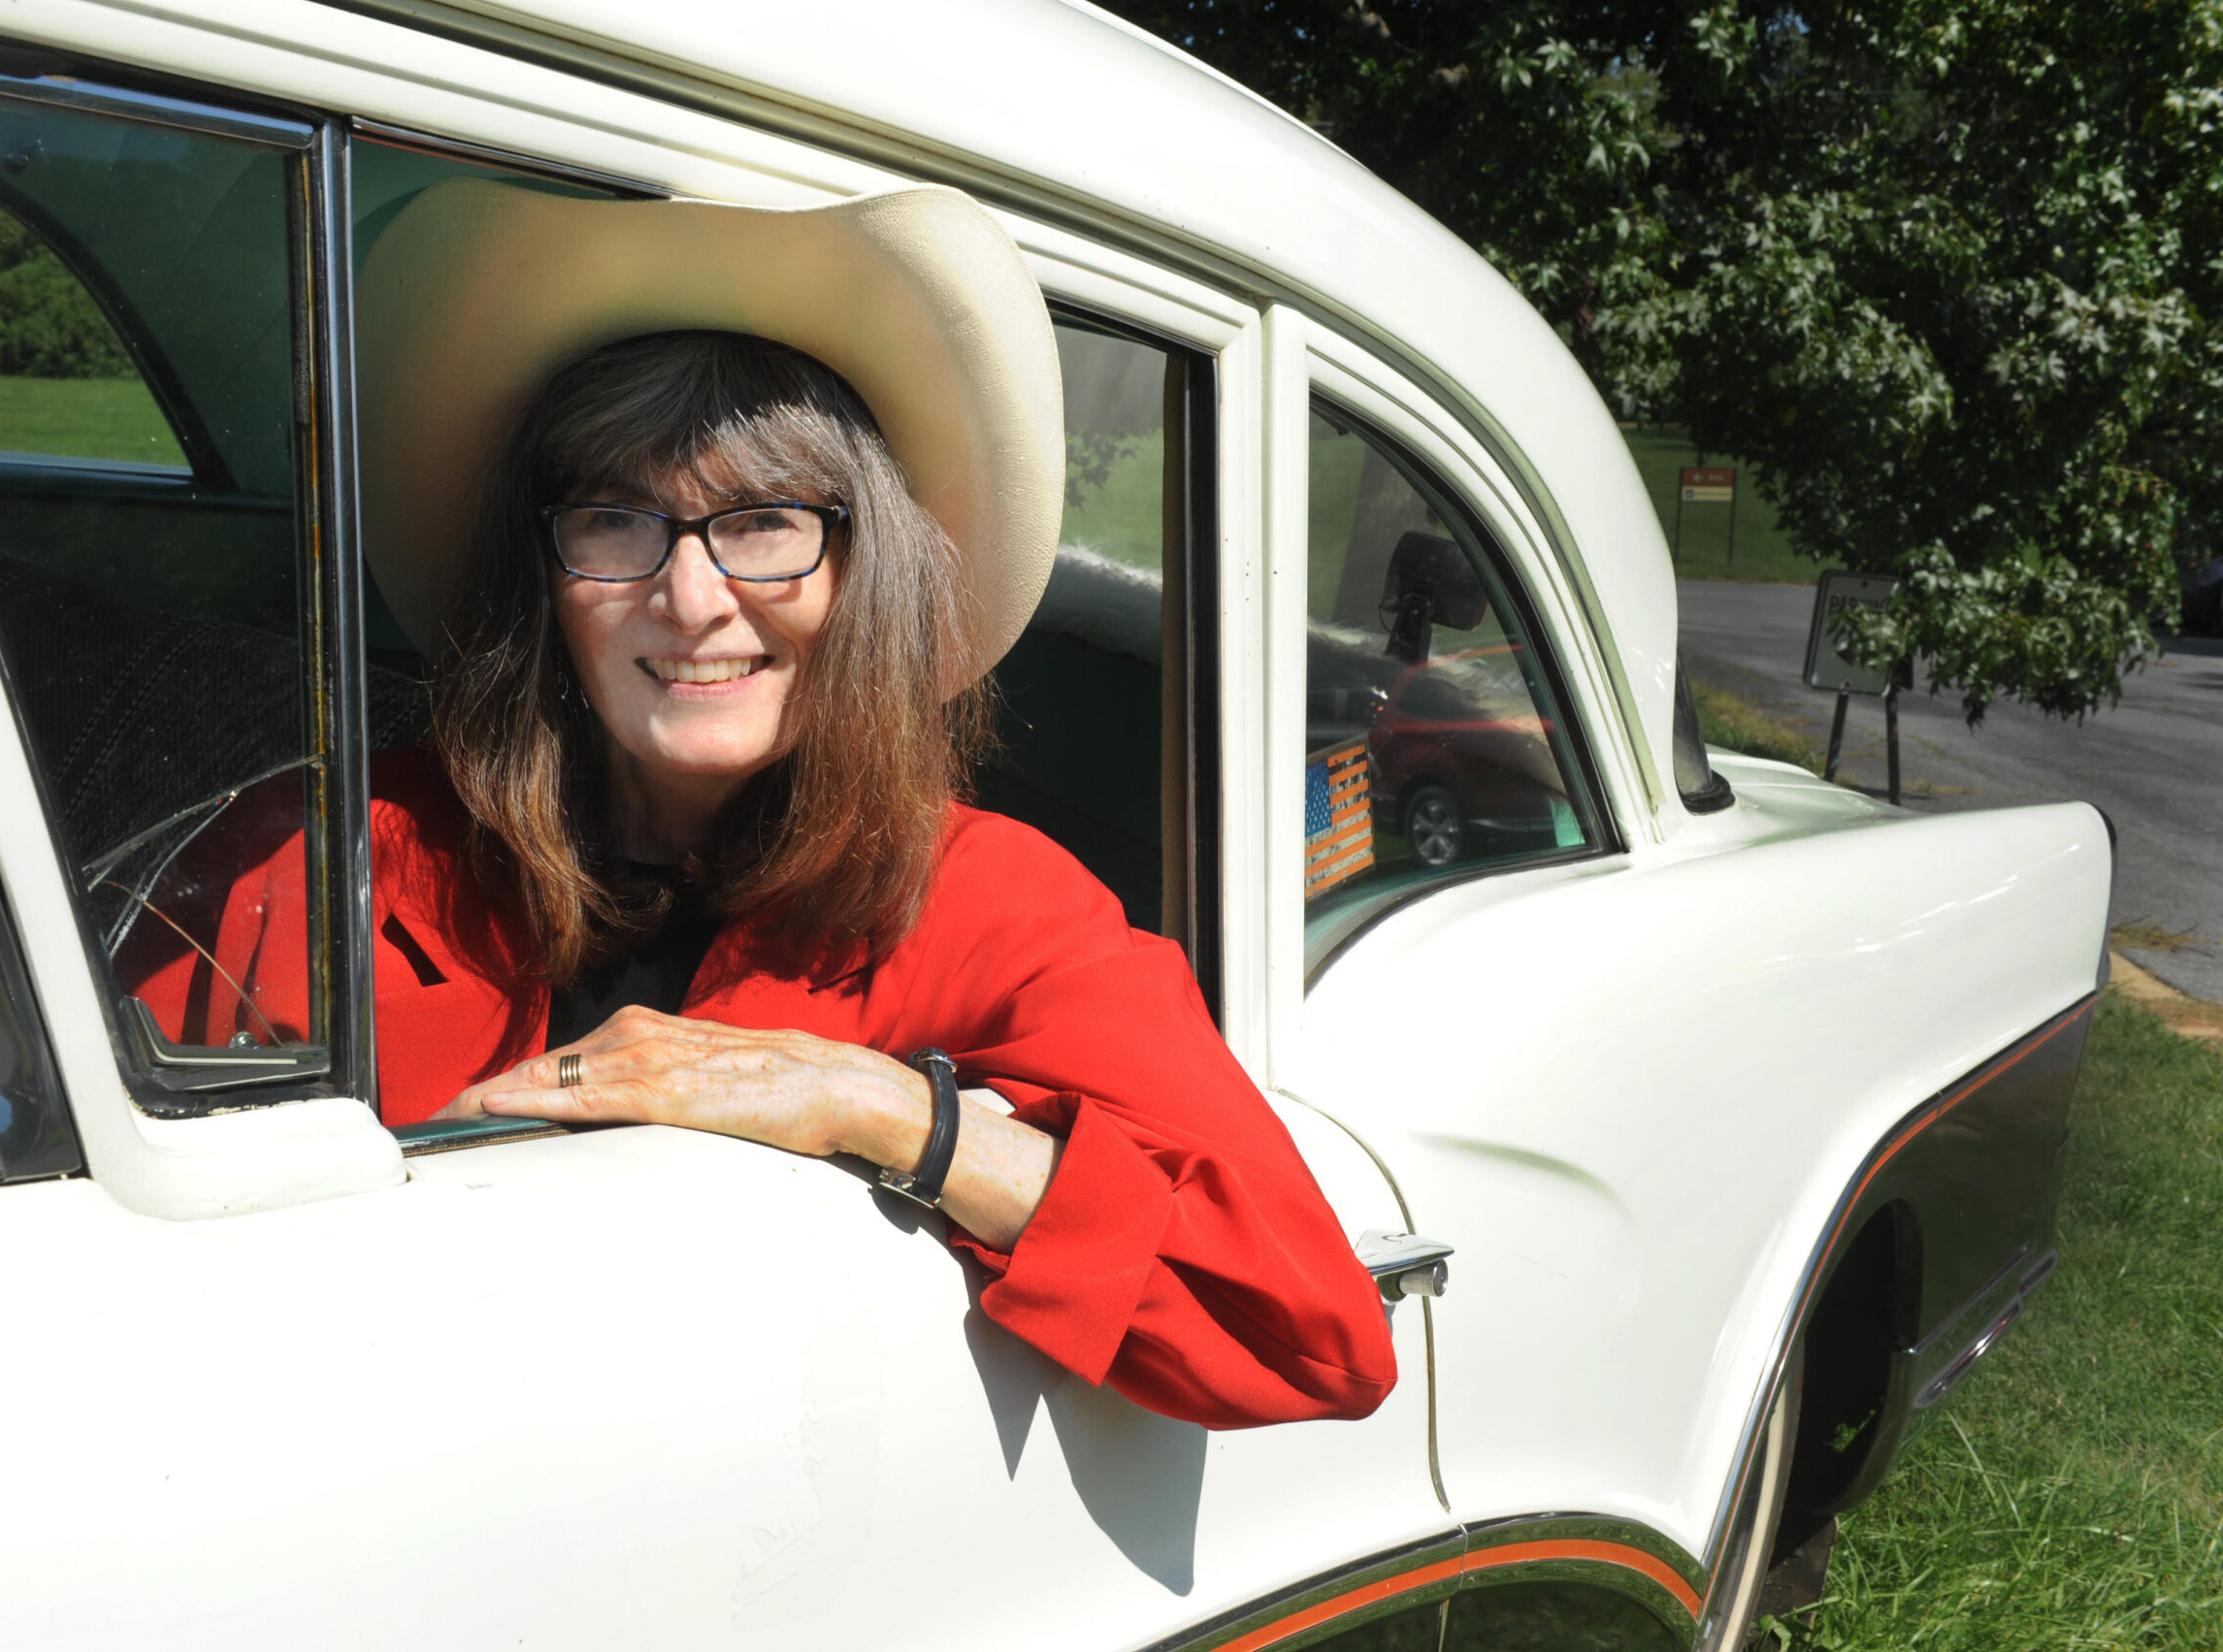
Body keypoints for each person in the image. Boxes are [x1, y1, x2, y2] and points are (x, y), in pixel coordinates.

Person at [133, 180, 1395, 1430]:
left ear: (864, 569)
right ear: (545, 572)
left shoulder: (988, 902)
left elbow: (1305, 1338)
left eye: (767, 523)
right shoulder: (332, 851)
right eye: (618, 521)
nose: (691, 600)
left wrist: (883, 1107)